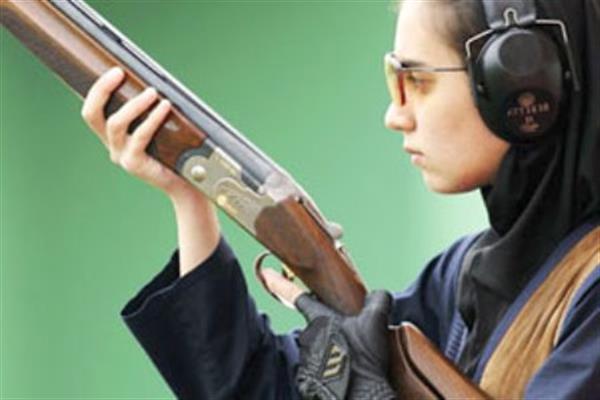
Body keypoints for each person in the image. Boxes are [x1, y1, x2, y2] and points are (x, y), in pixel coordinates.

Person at [81, 0, 599, 398]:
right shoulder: (465, 273)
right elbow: (259, 390)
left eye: (416, 80)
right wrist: (190, 191)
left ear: (521, 87)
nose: (395, 114)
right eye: (394, 78)